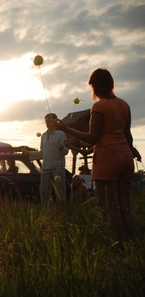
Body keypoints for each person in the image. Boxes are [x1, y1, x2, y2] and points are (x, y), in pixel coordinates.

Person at [54, 68, 141, 239]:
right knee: (125, 207)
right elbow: (127, 135)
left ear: (95, 86)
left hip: (108, 158)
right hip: (125, 156)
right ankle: (134, 245)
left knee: (111, 208)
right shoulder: (124, 104)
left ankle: (120, 248)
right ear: (111, 84)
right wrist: (133, 150)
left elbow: (94, 137)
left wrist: (65, 128)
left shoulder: (99, 106)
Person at [23, 113, 69, 207]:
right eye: (46, 121)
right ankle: (45, 212)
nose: (47, 123)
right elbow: (42, 153)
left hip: (57, 169)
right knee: (44, 192)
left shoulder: (61, 134)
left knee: (59, 191)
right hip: (46, 169)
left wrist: (62, 147)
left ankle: (61, 212)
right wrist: (30, 153)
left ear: (55, 121)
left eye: (49, 121)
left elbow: (66, 151)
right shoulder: (43, 135)